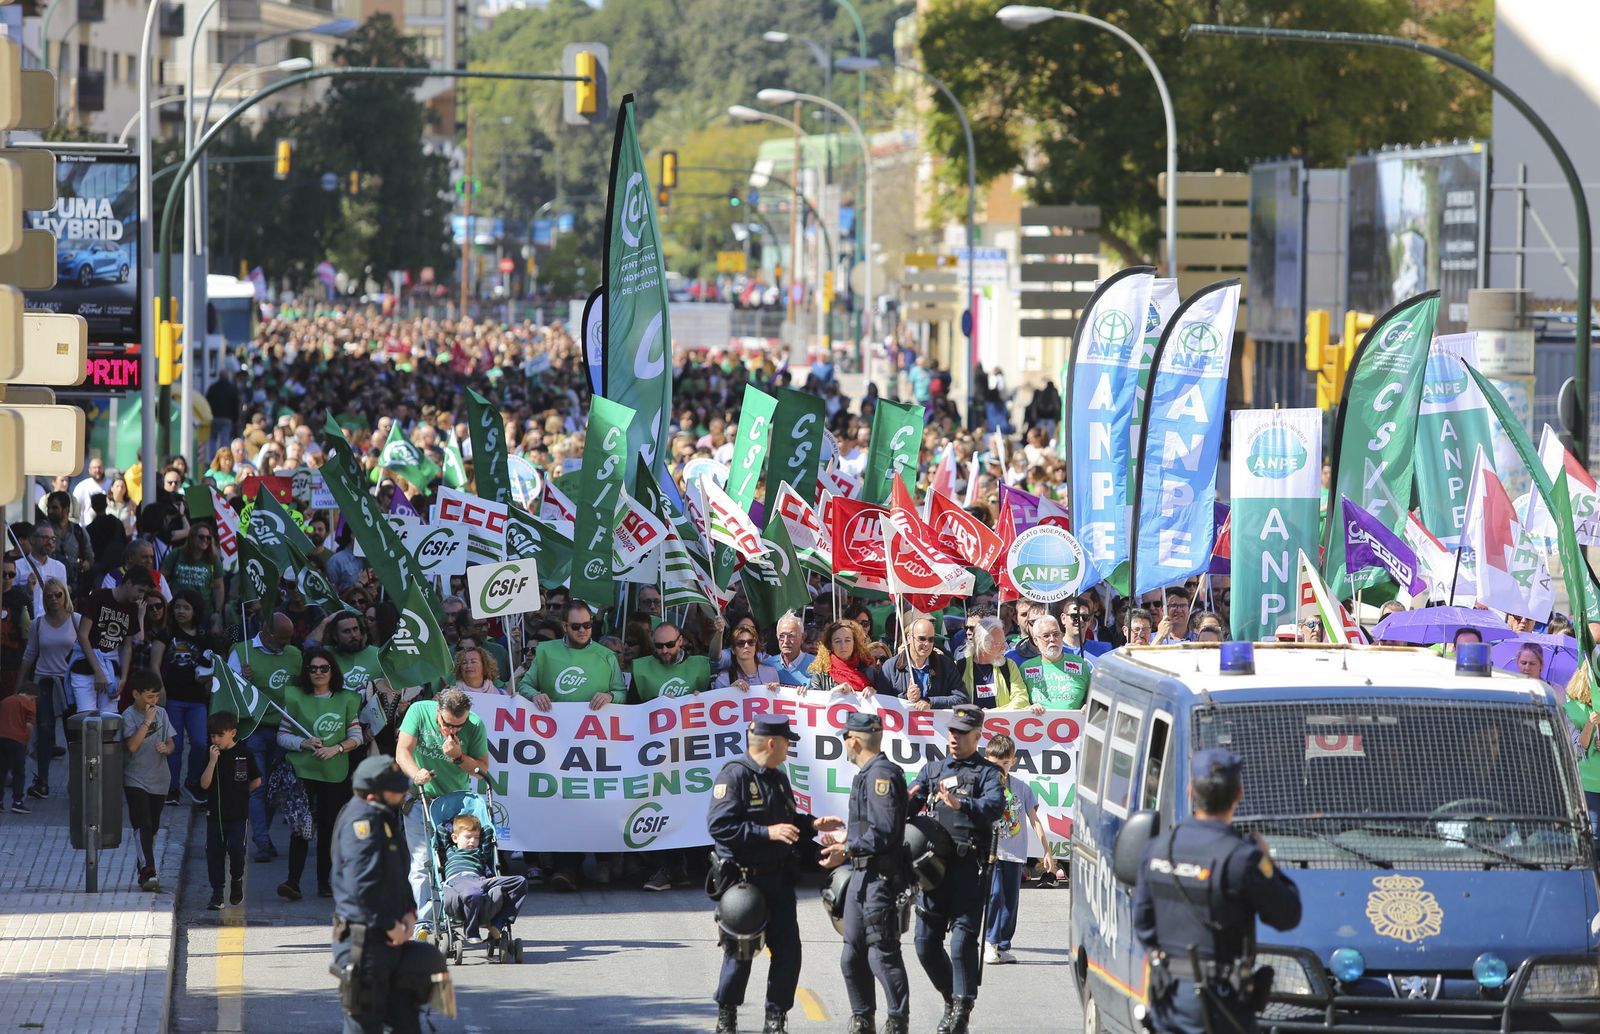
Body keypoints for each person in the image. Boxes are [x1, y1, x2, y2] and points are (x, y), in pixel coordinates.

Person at [1132, 748, 1303, 1034]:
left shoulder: (1158, 849)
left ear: (1190, 791)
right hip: (1221, 1003)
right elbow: (1287, 915)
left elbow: (1143, 925)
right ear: (1239, 794)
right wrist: (1267, 863)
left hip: (1170, 999)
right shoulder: (1242, 858)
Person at [707, 716, 840, 1034]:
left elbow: (787, 820)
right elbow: (720, 826)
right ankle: (727, 1014)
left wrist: (813, 825)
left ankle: (776, 1017)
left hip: (778, 878)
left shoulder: (778, 777)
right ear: (771, 743)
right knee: (740, 951)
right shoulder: (735, 775)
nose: (789, 747)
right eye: (787, 742)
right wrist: (767, 833)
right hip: (744, 882)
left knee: (788, 951)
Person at [331, 756, 453, 1034]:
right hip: (365, 941)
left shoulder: (383, 817)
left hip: (391, 937)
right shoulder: (360, 825)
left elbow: (398, 874)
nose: (403, 794)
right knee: (365, 1021)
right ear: (373, 793)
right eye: (396, 790)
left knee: (407, 1017)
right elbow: (361, 887)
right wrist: (390, 925)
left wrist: (410, 913)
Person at [908, 703, 1005, 1034]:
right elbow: (910, 802)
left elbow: (994, 807)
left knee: (963, 942)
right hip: (931, 870)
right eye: (952, 731)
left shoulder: (987, 773)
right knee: (925, 943)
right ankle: (951, 998)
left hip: (967, 869)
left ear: (977, 736)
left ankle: (962, 1008)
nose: (954, 737)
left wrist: (962, 804)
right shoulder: (933, 770)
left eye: (962, 733)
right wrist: (901, 799)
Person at [818, 712, 911, 1034]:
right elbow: (871, 827)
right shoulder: (868, 773)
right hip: (861, 876)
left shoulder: (880, 775)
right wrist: (846, 838)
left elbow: (884, 831)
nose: (845, 743)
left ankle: (897, 1021)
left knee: (882, 955)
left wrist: (847, 848)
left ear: (854, 741)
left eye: (846, 738)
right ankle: (863, 1020)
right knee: (852, 956)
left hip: (880, 880)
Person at [394, 689, 489, 941]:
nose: (453, 730)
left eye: (459, 725)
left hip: (455, 801)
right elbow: (403, 751)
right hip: (421, 798)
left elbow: (482, 770)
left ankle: (457, 914)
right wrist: (416, 773)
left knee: (456, 859)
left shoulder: (475, 724)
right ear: (438, 710)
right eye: (447, 724)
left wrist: (458, 757)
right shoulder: (419, 710)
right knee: (422, 862)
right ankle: (424, 922)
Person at [277, 648, 364, 901]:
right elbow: (281, 735)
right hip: (302, 771)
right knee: (300, 827)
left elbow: (357, 737)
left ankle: (324, 882)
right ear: (306, 672)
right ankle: (293, 881)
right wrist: (302, 743)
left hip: (334, 773)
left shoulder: (347, 699)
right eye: (313, 668)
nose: (318, 672)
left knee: (329, 828)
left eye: (324, 668)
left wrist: (336, 749)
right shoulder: (294, 697)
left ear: (332, 671)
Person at [228, 612, 303, 862]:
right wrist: (242, 679)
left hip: (284, 731)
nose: (287, 643)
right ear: (267, 633)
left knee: (273, 789)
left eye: (289, 638)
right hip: (254, 730)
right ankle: (261, 840)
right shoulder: (241, 652)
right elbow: (228, 691)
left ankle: (264, 835)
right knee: (257, 786)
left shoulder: (294, 655)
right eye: (282, 639)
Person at [981, 734, 1050, 965]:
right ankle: (990, 942)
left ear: (1013, 761)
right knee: (994, 895)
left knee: (1010, 901)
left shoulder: (1021, 788)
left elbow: (1034, 820)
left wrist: (1046, 850)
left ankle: (1002, 945)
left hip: (1015, 852)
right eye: (994, 763)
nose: (1000, 768)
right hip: (992, 851)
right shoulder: (983, 785)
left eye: (1004, 763)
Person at [17, 577, 75, 798]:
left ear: (64, 595)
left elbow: (86, 651)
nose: (54, 599)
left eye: (58, 594)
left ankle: (76, 781)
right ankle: (42, 781)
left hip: (69, 683)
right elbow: (29, 654)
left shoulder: (76, 620)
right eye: (49, 596)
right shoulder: (38, 624)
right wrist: (20, 686)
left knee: (73, 734)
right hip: (44, 682)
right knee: (45, 731)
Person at [158, 589, 215, 803]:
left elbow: (214, 666)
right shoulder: (166, 633)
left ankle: (192, 782)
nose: (181, 611)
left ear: (195, 610)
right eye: (178, 607)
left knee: (200, 743)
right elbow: (154, 664)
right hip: (172, 697)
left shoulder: (204, 636)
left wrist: (208, 680)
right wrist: (160, 689)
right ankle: (172, 787)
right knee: (175, 745)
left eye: (186, 607)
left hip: (197, 699)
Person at [200, 710, 261, 910]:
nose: (216, 740)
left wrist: (241, 794)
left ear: (233, 732)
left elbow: (256, 780)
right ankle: (217, 893)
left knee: (236, 850)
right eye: (212, 736)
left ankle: (236, 878)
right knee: (214, 854)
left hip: (237, 815)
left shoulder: (244, 754)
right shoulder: (210, 754)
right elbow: (204, 784)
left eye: (220, 735)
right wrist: (212, 762)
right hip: (215, 815)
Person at [71, 566, 153, 714]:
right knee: (87, 718)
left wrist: (124, 678)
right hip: (85, 664)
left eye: (144, 593)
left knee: (109, 718)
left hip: (111, 666)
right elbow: (82, 635)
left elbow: (127, 646)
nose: (140, 596)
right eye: (140, 590)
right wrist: (98, 671)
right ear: (129, 583)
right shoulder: (99, 596)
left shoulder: (132, 608)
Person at [122, 670, 174, 891]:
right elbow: (132, 746)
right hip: (136, 778)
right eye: (149, 696)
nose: (154, 701)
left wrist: (166, 748)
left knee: (152, 827)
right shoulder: (128, 716)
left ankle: (144, 866)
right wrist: (147, 721)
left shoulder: (162, 713)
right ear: (136, 694)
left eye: (156, 696)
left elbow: (171, 742)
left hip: (159, 778)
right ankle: (149, 871)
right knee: (142, 824)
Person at [439, 813, 528, 944]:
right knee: (474, 893)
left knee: (520, 881)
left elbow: (488, 830)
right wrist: (453, 822)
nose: (472, 841)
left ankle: (498, 922)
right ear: (455, 838)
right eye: (468, 837)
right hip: (458, 879)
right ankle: (472, 931)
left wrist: (481, 821)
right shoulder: (449, 850)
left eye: (476, 838)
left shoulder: (480, 852)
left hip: (480, 880)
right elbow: (440, 830)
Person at [874, 617, 964, 710]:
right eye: (922, 639)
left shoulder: (946, 665)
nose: (927, 644)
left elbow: (962, 699)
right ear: (909, 638)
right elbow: (881, 703)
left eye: (931, 639)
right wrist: (905, 697)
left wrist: (931, 702)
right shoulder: (890, 667)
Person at [161, 519, 225, 632]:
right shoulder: (177, 553)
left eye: (208, 538)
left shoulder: (213, 559)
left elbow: (218, 587)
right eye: (201, 537)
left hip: (203, 613)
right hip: (178, 611)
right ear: (191, 537)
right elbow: (162, 579)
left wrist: (217, 612)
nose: (205, 540)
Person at [630, 619, 717, 703]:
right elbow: (630, 707)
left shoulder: (700, 666)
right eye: (659, 645)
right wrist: (656, 702)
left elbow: (713, 703)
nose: (664, 650)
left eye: (670, 645)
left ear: (680, 641)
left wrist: (703, 698)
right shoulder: (641, 668)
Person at [1562, 669, 1600, 860]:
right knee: (1594, 838)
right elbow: (1577, 749)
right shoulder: (1571, 709)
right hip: (1588, 785)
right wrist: (1590, 724)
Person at [1017, 614, 1091, 711]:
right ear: (1035, 641)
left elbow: (1093, 699)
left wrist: (1089, 706)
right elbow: (1019, 701)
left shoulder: (1080, 664)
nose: (1052, 639)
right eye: (1046, 636)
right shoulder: (1026, 668)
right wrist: (1027, 708)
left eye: (1056, 634)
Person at [960, 617, 1036, 711]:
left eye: (1003, 642)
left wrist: (993, 713)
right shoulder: (961, 667)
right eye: (997, 643)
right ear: (981, 644)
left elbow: (1022, 699)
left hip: (1002, 720)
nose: (1003, 647)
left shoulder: (1009, 665)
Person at [803, 620, 877, 696]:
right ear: (831, 645)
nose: (843, 645)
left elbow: (883, 698)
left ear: (854, 643)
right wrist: (833, 693)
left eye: (847, 640)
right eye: (837, 641)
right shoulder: (820, 672)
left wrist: (875, 693)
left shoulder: (870, 671)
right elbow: (814, 700)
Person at [13, 522, 68, 616]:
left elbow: (63, 600)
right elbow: (10, 597)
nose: (50, 543)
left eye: (53, 539)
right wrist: (27, 591)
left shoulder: (59, 567)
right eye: (45, 538)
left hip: (50, 621)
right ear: (32, 540)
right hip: (26, 621)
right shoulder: (17, 566)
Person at [0, 683, 37, 813]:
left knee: (2, 770)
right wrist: (26, 741)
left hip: (1, 738)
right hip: (17, 740)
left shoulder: (5, 701)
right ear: (32, 696)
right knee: (18, 771)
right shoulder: (28, 704)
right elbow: (29, 726)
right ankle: (17, 802)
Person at [715, 624, 780, 692]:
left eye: (751, 642)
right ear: (733, 650)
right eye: (740, 643)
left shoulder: (771, 673)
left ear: (756, 646)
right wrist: (730, 691)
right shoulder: (723, 679)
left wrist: (775, 691)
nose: (746, 646)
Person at [764, 611, 815, 687]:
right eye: (781, 636)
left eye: (791, 636)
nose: (786, 641)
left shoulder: (816, 665)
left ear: (803, 638)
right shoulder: (766, 666)